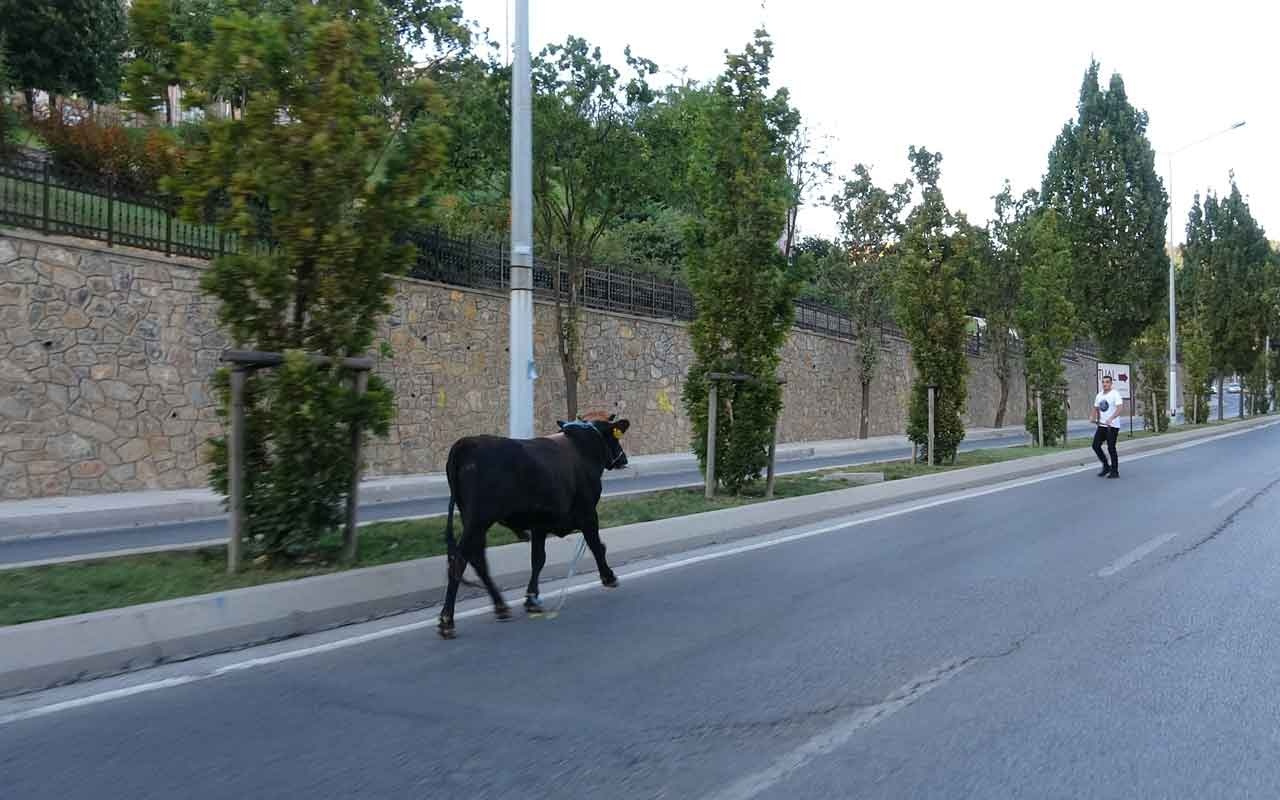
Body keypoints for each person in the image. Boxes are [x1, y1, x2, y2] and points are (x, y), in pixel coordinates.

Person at [1092, 375, 1123, 478]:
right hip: (1102, 425)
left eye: (1107, 382)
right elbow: (1096, 407)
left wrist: (1111, 418)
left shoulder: (1115, 394)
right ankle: (1106, 466)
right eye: (1103, 382)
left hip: (1112, 426)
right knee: (1095, 446)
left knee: (1111, 447)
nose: (1105, 384)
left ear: (1111, 384)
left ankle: (1115, 471)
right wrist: (1094, 417)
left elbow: (1119, 408)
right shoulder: (1099, 395)